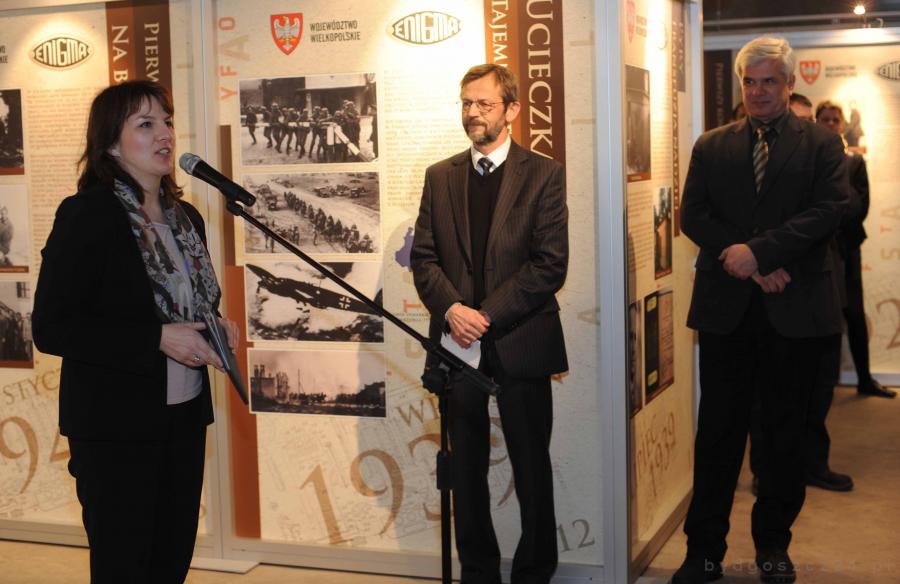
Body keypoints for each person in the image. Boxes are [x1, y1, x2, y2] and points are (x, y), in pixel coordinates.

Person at [32, 80, 239, 584]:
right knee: (124, 566)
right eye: (145, 124)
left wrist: (215, 326)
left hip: (184, 418)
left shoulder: (187, 219)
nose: (164, 133)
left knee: (171, 562)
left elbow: (192, 305)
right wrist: (157, 339)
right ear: (110, 143)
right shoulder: (88, 215)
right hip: (114, 426)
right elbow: (52, 327)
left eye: (167, 121)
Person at [672, 37, 847, 584]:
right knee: (717, 436)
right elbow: (693, 215)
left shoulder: (822, 144)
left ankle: (773, 546)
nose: (759, 91)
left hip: (794, 312)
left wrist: (762, 253)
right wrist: (745, 259)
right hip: (727, 313)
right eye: (750, 82)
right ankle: (703, 553)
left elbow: (829, 211)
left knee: (782, 438)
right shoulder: (712, 145)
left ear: (790, 83)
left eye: (770, 81)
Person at [411, 63, 568, 584]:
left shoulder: (544, 173)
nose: (472, 113)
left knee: (531, 467)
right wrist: (452, 309)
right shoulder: (440, 176)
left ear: (512, 110)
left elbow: (549, 264)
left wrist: (485, 315)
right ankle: (478, 572)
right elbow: (424, 260)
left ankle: (534, 573)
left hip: (522, 339)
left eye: (484, 103)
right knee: (465, 469)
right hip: (456, 345)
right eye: (466, 103)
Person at [816, 101, 894, 398]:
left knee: (854, 313)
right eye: (825, 119)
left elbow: (860, 205)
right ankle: (825, 382)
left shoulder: (854, 162)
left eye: (835, 119)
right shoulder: (809, 160)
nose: (831, 124)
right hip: (818, 249)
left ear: (843, 124)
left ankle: (864, 379)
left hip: (847, 247)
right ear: (816, 122)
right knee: (825, 315)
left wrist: (835, 222)